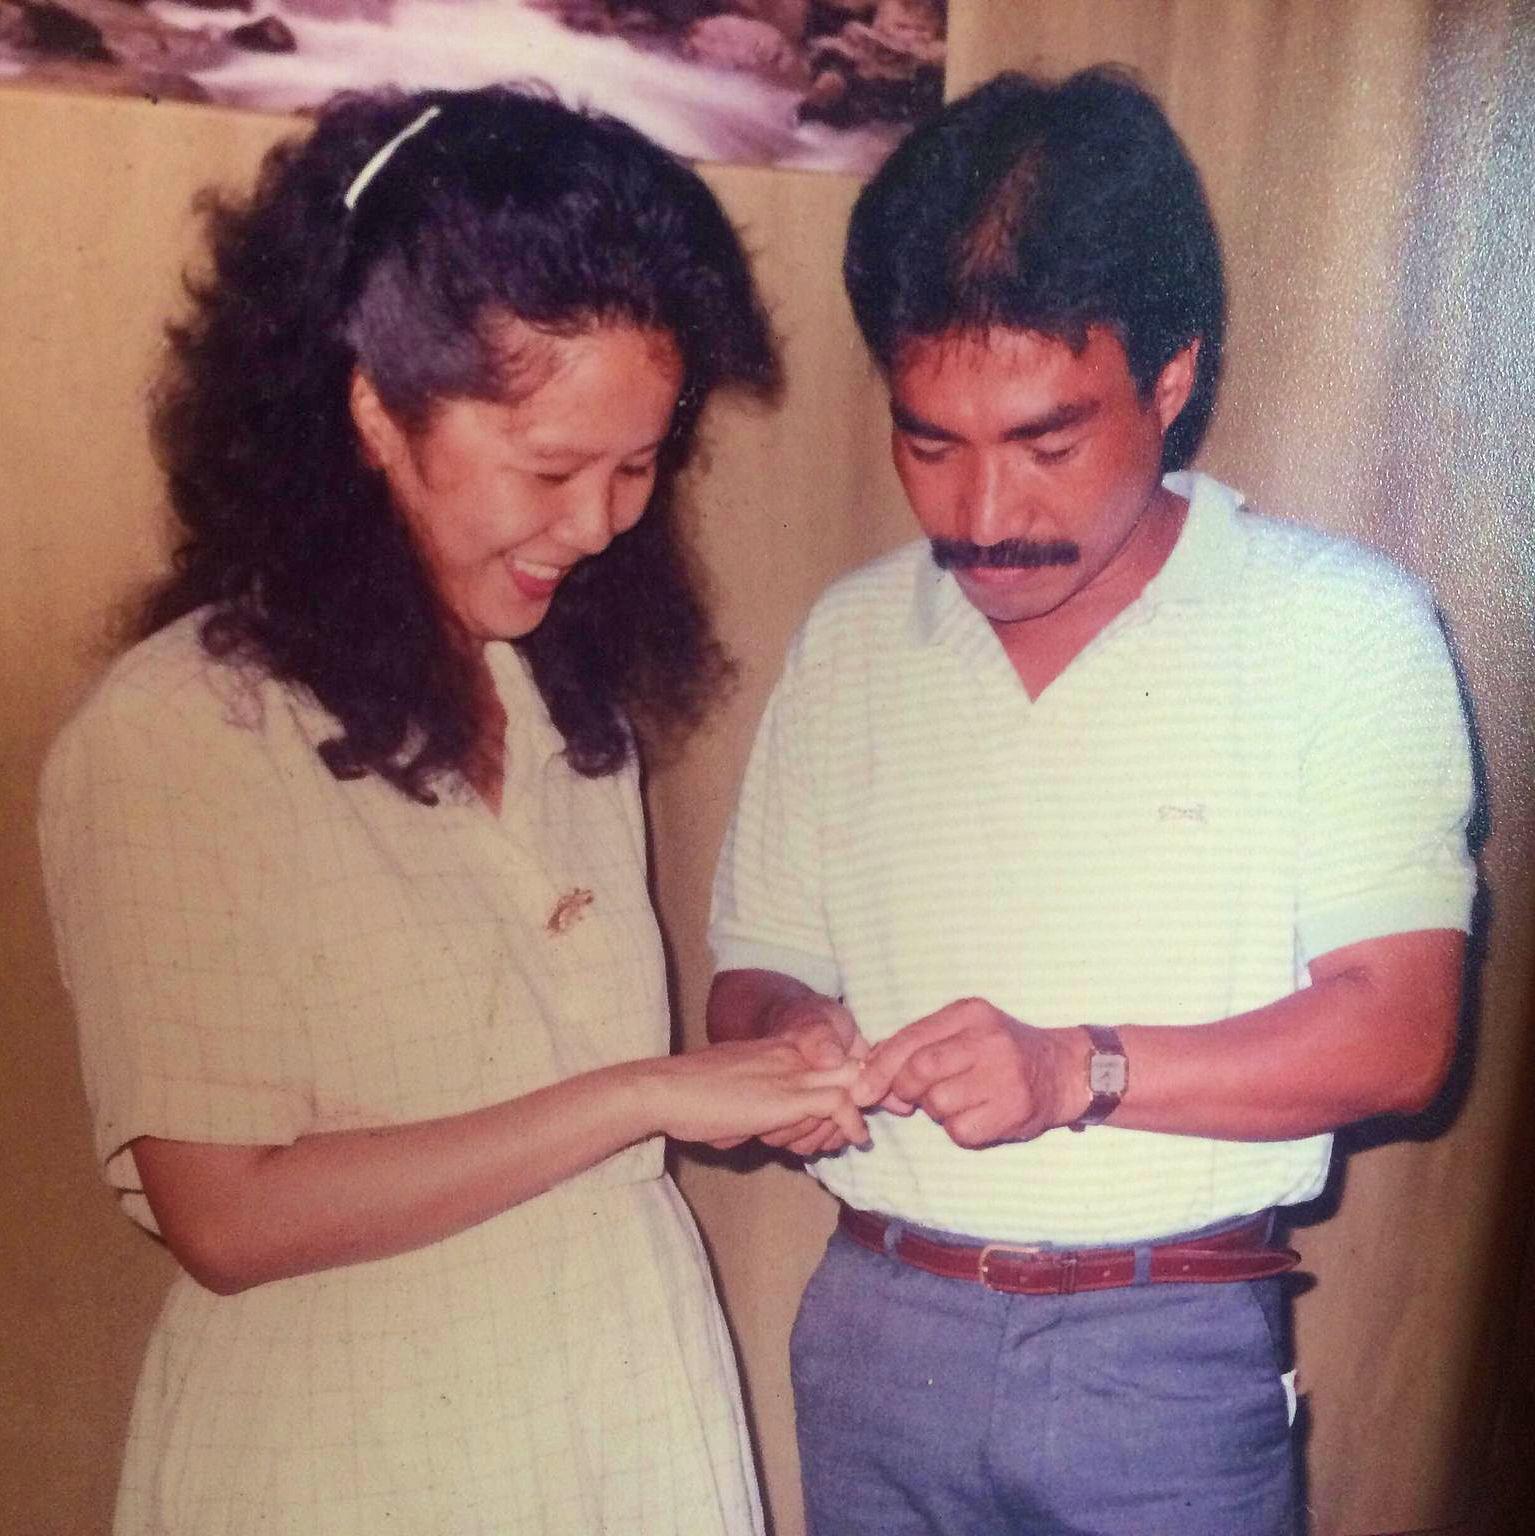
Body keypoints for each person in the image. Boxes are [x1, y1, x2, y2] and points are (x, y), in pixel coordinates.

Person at [38, 85, 867, 1536]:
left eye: (638, 467)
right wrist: (645, 1094)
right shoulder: (181, 731)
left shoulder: (565, 708)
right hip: (355, 1445)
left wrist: (766, 1071)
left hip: (621, 1405)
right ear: (375, 408)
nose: (600, 525)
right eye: (552, 468)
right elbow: (223, 1215)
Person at [707, 66, 1475, 1536]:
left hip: (1163, 1353)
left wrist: (1075, 1071)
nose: (984, 518)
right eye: (931, 444)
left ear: (1170, 380)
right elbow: (752, 977)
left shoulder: (1339, 628)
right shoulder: (853, 639)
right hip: (877, 1335)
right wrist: (793, 1035)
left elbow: (1400, 1035)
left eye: (1048, 444)